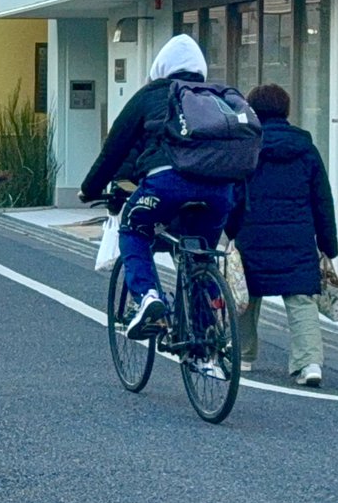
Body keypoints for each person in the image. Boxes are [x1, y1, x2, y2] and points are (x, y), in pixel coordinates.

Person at [78, 34, 237, 342]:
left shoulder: (151, 95)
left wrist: (90, 189)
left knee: (133, 228)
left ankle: (148, 298)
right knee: (200, 251)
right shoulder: (220, 96)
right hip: (218, 191)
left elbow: (115, 149)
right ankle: (207, 338)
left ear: (162, 67)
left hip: (166, 184)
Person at [225, 84, 337, 387]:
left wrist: (230, 231)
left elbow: (234, 194)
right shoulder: (305, 149)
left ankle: (244, 356)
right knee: (301, 299)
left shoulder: (247, 147)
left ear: (252, 111)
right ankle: (309, 363)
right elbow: (322, 199)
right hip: (298, 237)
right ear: (286, 110)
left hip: (253, 235)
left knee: (245, 297)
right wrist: (328, 244)